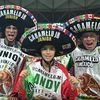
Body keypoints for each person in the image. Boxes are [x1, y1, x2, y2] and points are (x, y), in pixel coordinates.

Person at [11, 27, 78, 100]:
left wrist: (73, 88)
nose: (48, 52)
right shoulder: (31, 67)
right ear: (40, 51)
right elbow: (25, 96)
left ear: (55, 51)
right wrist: (22, 81)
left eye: (51, 49)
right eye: (44, 49)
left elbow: (68, 97)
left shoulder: (62, 70)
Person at [0, 4, 37, 99]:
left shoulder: (23, 50)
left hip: (8, 95)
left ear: (18, 31)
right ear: (4, 30)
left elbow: (23, 74)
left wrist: (15, 94)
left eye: (14, 28)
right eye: (8, 28)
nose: (11, 31)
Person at [65, 14, 100, 99]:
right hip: (79, 96)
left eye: (92, 36)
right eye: (85, 36)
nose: (88, 39)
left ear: (98, 38)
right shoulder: (74, 52)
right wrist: (71, 78)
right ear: (81, 40)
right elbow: (65, 71)